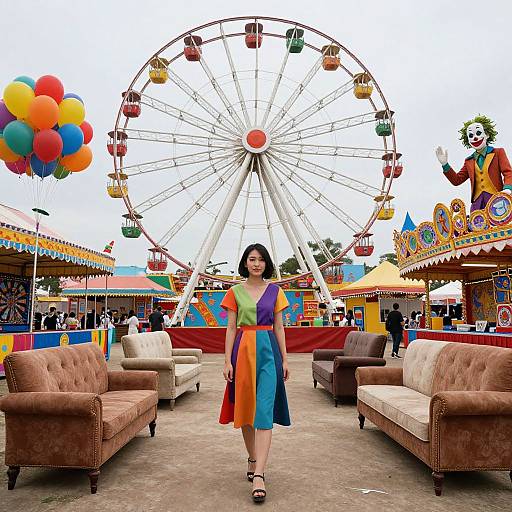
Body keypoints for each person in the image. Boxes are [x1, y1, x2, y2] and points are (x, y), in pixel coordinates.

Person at [220, 243, 291, 503]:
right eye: (252, 259)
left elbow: (280, 328)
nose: (256, 264)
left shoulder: (276, 292)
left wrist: (285, 359)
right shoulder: (234, 292)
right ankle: (252, 458)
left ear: (267, 263)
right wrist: (227, 360)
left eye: (261, 259)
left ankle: (259, 473)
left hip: (269, 353)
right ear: (245, 262)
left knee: (263, 411)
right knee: (246, 410)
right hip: (242, 352)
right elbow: (230, 329)